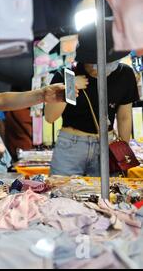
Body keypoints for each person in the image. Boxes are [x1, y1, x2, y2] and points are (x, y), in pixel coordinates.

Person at [45, 21, 139, 176]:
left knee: (108, 196)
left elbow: (124, 117)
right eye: (93, 64)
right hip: (71, 145)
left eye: (108, 64)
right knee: (61, 194)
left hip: (107, 144)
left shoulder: (125, 74)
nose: (99, 69)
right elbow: (50, 117)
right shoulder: (66, 74)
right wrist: (70, 87)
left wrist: (123, 151)